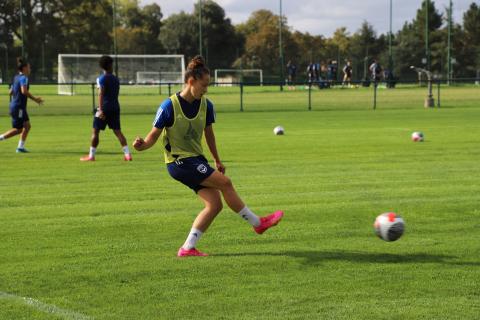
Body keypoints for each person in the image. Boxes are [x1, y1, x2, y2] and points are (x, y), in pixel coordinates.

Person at [133, 56, 284, 257]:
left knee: (215, 205)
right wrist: (141, 146)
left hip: (196, 160)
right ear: (191, 81)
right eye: (204, 85)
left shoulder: (206, 105)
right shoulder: (169, 106)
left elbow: (209, 134)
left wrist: (217, 160)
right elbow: (152, 136)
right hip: (179, 162)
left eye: (208, 85)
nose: (206, 89)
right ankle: (258, 223)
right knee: (226, 183)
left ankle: (187, 248)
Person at [80, 55, 132, 161]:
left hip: (104, 108)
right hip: (115, 107)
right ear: (110, 65)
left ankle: (91, 156)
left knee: (95, 131)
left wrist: (100, 109)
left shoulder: (101, 79)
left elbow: (101, 94)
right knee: (118, 132)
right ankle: (127, 155)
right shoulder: (115, 79)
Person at [0, 58, 43, 152]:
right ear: (24, 68)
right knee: (18, 129)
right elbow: (24, 91)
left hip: (17, 106)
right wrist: (36, 99)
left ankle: (20, 147)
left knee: (27, 126)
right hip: (19, 107)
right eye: (29, 67)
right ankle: (1, 138)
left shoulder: (16, 77)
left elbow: (10, 92)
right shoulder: (24, 78)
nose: (30, 69)